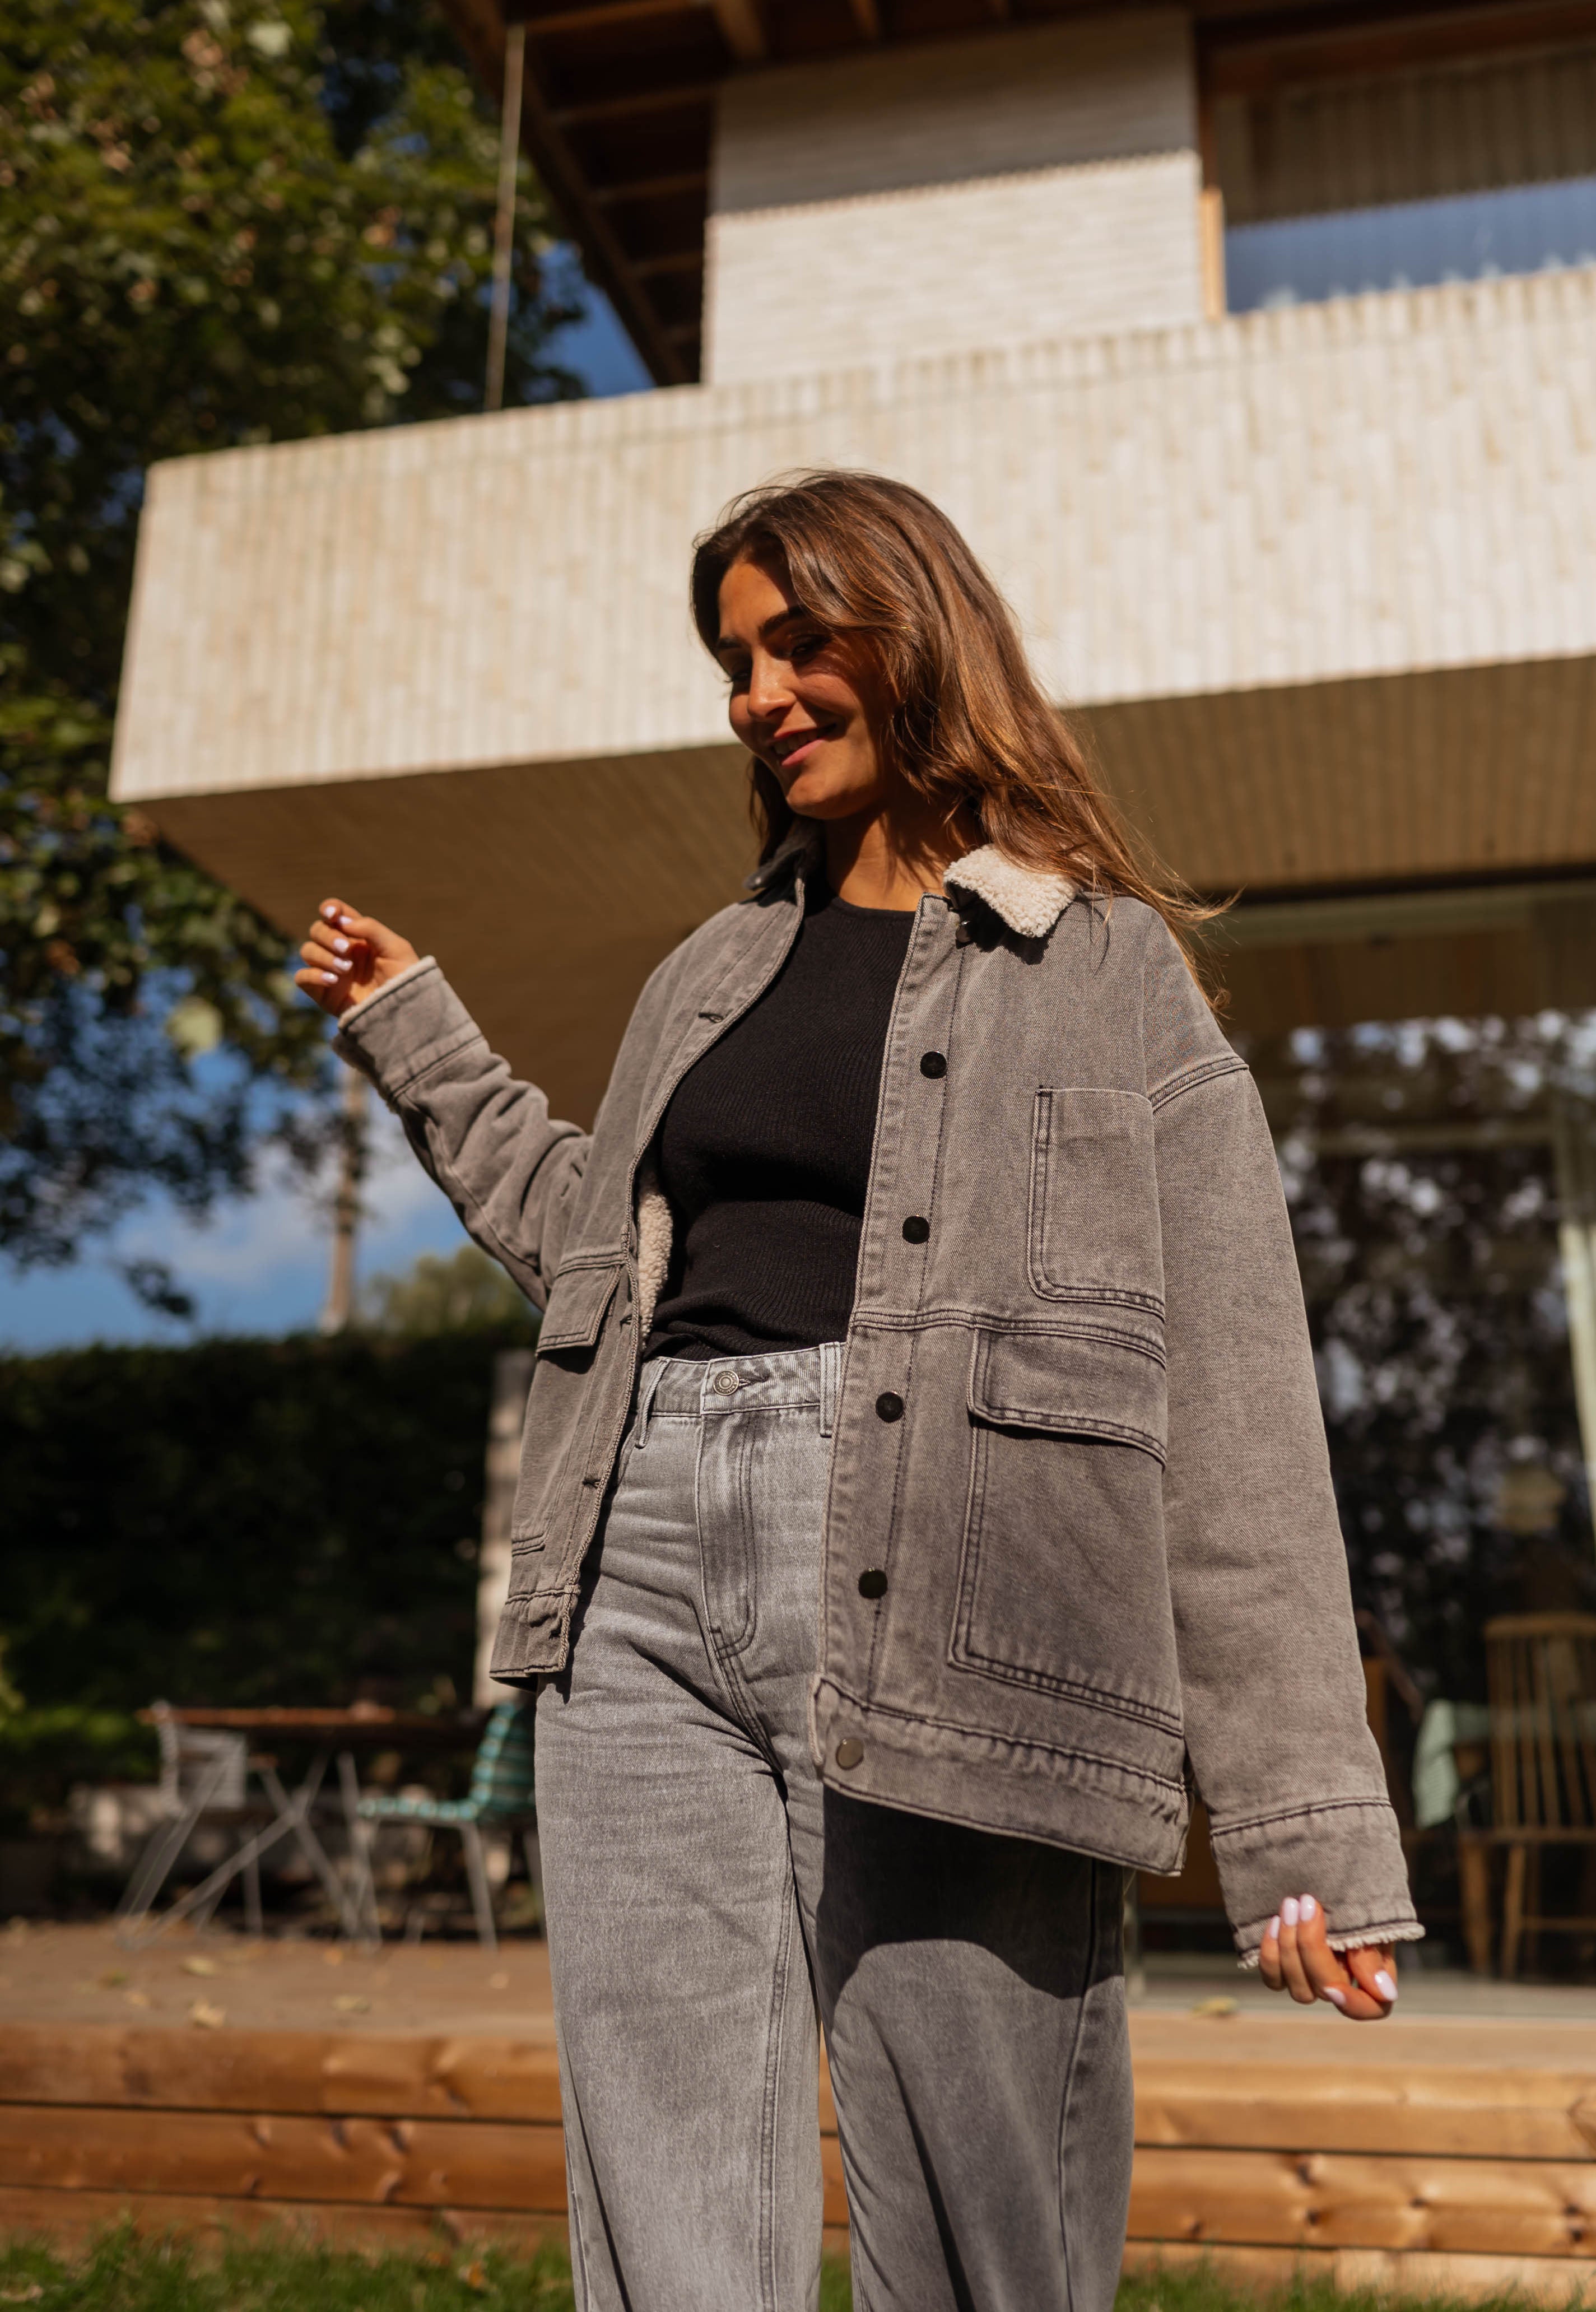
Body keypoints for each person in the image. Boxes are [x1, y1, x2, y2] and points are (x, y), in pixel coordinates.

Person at [297, 471, 1420, 2312]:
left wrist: (1305, 1833)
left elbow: (1233, 1402)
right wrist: (420, 1034)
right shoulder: (709, 972)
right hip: (636, 1574)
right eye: (735, 657)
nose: (758, 690)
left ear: (916, 633)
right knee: (663, 2201)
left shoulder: (1104, 967)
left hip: (952, 1585)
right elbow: (599, 1259)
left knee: (986, 2201)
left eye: (797, 638)